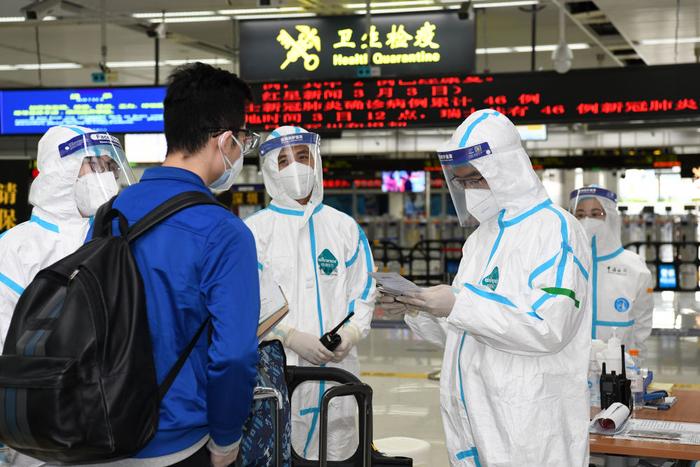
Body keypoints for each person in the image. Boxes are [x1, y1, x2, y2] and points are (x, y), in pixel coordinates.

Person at [379, 110, 592, 466]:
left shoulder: (555, 230)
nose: (470, 190)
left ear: (506, 169)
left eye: (476, 178)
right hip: (474, 425)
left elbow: (548, 328)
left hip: (529, 432)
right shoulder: (480, 240)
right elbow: (464, 334)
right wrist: (419, 308)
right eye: (462, 182)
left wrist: (458, 305)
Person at [87, 63, 261, 467]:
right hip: (176, 443)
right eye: (242, 141)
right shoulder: (224, 232)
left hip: (101, 431)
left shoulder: (108, 213)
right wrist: (226, 438)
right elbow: (233, 355)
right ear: (225, 141)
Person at [245, 125, 376, 461]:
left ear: (316, 162)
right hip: (277, 369)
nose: (296, 166)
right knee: (279, 450)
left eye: (303, 156)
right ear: (271, 169)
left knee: (339, 452)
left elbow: (363, 291)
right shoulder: (254, 232)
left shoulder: (344, 227)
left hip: (338, 371)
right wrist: (287, 335)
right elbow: (247, 298)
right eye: (285, 160)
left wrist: (349, 332)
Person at [0, 125, 128, 349]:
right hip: (37, 379)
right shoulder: (16, 247)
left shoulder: (115, 238)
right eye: (94, 164)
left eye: (110, 166)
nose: (106, 176)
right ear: (62, 170)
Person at [570, 186, 654, 353]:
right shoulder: (562, 263)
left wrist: (635, 357)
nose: (587, 220)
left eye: (595, 214)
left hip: (618, 367)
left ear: (611, 217)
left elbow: (642, 320)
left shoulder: (634, 267)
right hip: (570, 368)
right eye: (580, 215)